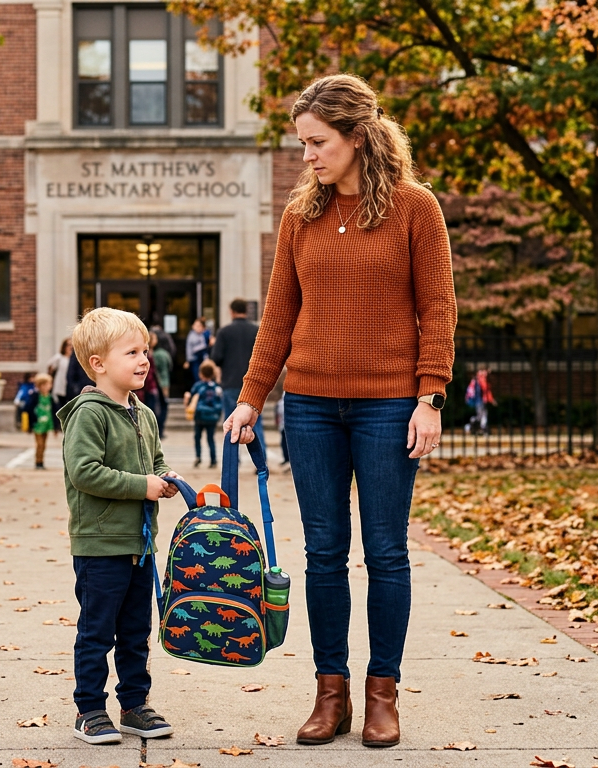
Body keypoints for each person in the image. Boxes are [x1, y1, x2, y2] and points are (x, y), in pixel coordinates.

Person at [222, 74, 456, 749]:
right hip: (313, 406)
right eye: (302, 143)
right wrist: (250, 397)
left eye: (317, 142)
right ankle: (331, 693)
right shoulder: (302, 216)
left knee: (385, 553)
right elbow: (279, 316)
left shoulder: (416, 208)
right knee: (324, 553)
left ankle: (383, 694)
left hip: (389, 406)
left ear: (357, 136)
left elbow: (437, 309)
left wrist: (430, 396)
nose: (307, 156)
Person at [56, 307, 181, 745]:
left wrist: (164, 479)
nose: (144, 359)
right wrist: (141, 486)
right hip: (99, 545)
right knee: (96, 632)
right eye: (132, 352)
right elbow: (84, 472)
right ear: (98, 364)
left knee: (135, 632)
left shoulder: (143, 414)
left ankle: (135, 705)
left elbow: (155, 462)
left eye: (145, 350)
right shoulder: (89, 414)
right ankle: (89, 709)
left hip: (139, 545)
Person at [211, 298, 265, 446]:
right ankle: (262, 458)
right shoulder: (256, 330)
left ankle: (233, 460)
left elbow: (216, 358)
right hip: (253, 383)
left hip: (230, 381)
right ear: (246, 311)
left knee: (230, 423)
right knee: (256, 422)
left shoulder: (224, 331)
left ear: (232, 312)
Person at [185, 359, 224, 468]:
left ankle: (198, 457)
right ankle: (213, 460)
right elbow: (220, 403)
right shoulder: (217, 388)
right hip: (212, 418)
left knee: (197, 437)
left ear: (201, 373)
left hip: (199, 416)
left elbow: (191, 398)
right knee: (210, 438)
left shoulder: (198, 386)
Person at [46, 337, 73, 432]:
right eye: (68, 345)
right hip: (60, 385)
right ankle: (59, 427)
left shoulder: (74, 358)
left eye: (71, 345)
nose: (70, 347)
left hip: (70, 387)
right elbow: (50, 365)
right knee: (60, 406)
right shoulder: (59, 357)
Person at [30, 372, 55, 469]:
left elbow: (53, 411)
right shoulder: (35, 397)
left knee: (44, 444)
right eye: (48, 384)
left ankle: (41, 461)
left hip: (47, 424)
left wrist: (55, 427)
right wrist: (31, 423)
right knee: (39, 444)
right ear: (41, 385)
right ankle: (38, 462)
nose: (49, 386)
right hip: (38, 424)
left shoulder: (50, 397)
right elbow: (30, 409)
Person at [151, 332, 173, 438]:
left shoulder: (155, 354)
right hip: (163, 382)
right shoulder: (163, 354)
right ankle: (161, 429)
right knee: (163, 406)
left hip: (155, 383)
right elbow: (169, 366)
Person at [464, 368, 495, 436]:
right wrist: (491, 400)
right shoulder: (481, 380)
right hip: (480, 401)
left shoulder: (476, 380)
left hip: (479, 401)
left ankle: (474, 426)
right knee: (482, 415)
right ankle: (479, 427)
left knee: (481, 415)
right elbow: (486, 391)